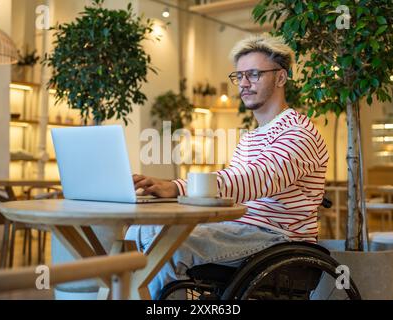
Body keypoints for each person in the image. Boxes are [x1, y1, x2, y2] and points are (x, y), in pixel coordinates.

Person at [126, 34, 329, 299]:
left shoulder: (299, 133)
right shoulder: (251, 137)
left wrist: (176, 187)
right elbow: (231, 187)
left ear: (280, 78)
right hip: (240, 231)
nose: (244, 84)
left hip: (278, 239)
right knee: (139, 230)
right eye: (239, 76)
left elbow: (254, 179)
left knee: (168, 246)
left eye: (254, 74)